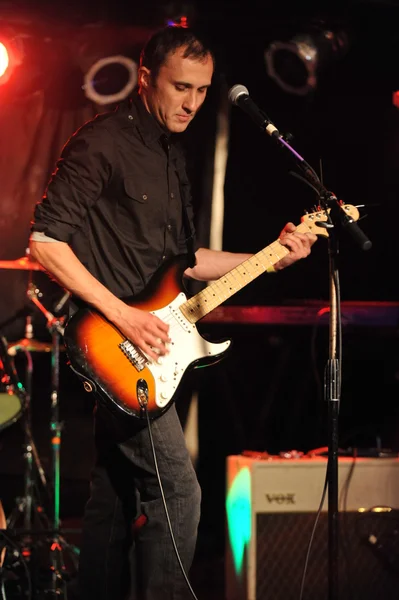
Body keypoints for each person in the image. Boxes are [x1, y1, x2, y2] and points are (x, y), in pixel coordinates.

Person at [30, 26, 317, 600]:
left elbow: (186, 264)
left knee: (112, 498)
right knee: (179, 494)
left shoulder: (173, 156)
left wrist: (271, 258)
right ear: (145, 80)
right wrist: (124, 315)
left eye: (203, 91)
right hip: (113, 343)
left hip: (151, 346)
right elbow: (44, 243)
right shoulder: (102, 143)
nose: (192, 103)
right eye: (180, 87)